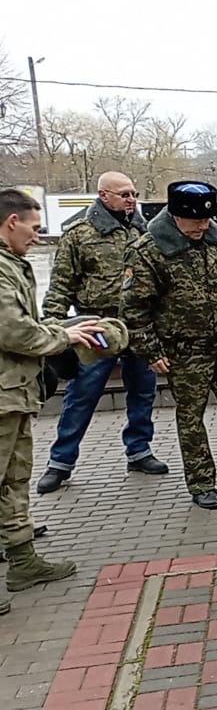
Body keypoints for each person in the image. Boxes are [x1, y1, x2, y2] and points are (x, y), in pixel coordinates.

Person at [121, 181, 217, 510]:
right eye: (196, 222)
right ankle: (201, 482)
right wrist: (150, 350)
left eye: (207, 221)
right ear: (176, 216)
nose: (203, 227)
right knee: (192, 416)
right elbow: (134, 308)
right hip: (182, 347)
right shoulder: (148, 250)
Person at [37, 171, 169, 494]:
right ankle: (60, 462)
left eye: (134, 193)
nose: (131, 199)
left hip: (138, 326)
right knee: (82, 395)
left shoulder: (146, 231)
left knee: (143, 391)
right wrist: (54, 329)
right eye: (124, 194)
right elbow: (61, 287)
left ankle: (139, 450)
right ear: (103, 195)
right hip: (96, 328)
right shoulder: (79, 234)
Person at [0, 189, 98, 612]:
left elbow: (29, 321)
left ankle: (22, 563)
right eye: (34, 228)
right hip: (3, 395)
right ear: (11, 223)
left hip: (14, 395)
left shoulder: (12, 265)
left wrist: (66, 324)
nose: (37, 237)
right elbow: (13, 331)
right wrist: (65, 336)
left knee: (15, 477)